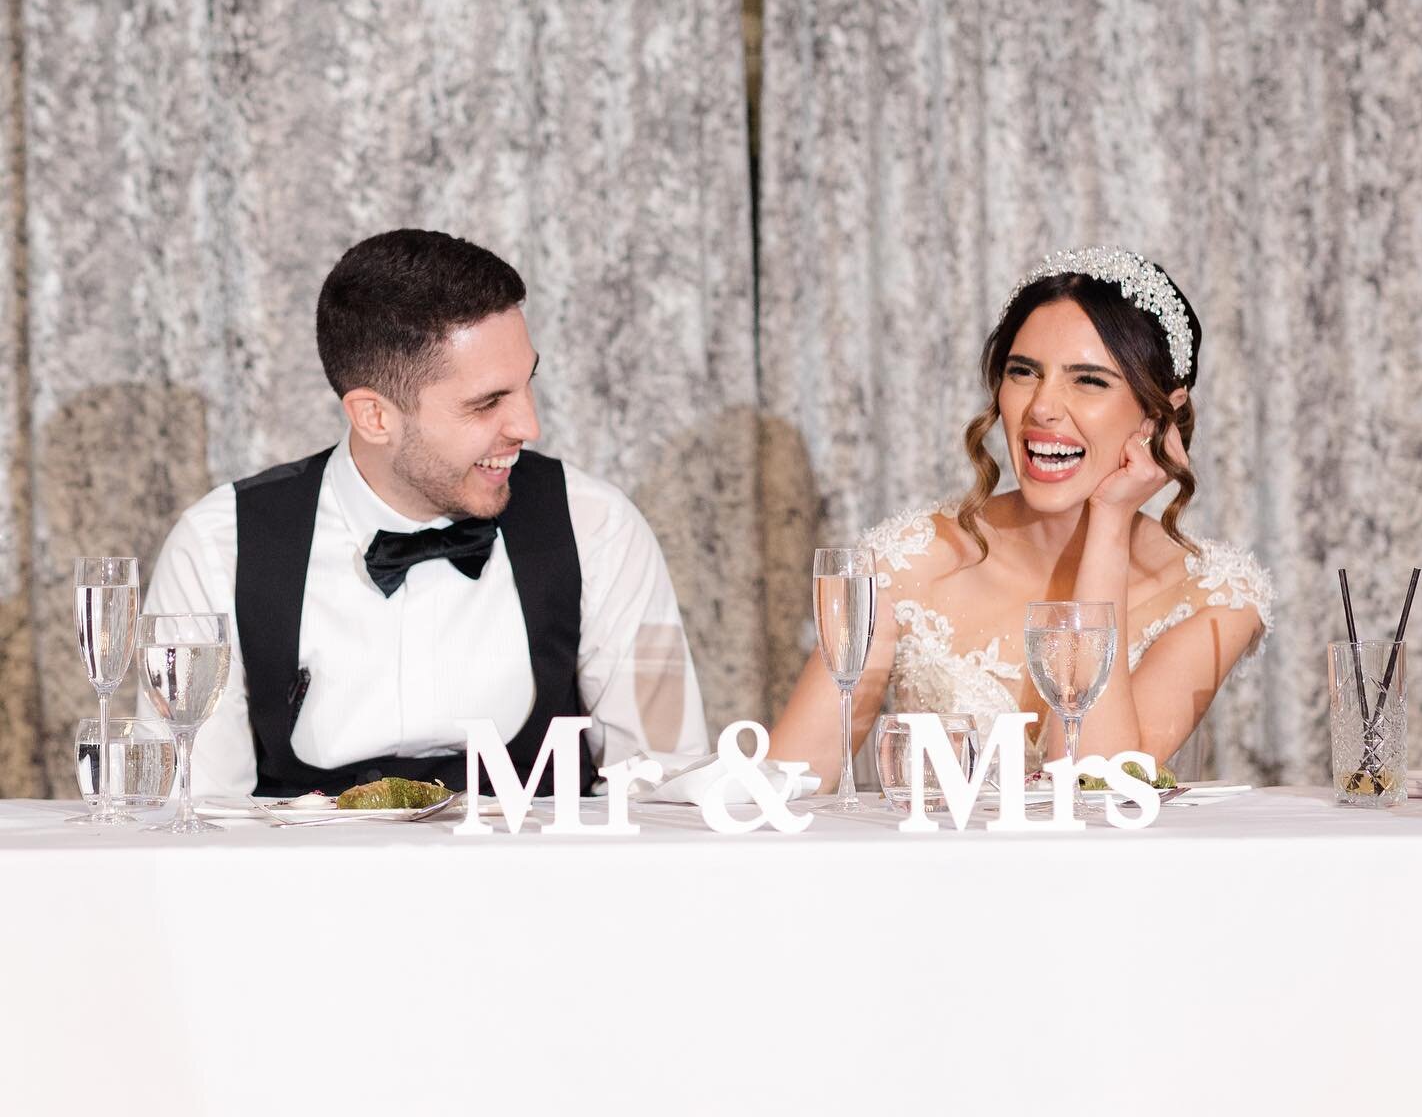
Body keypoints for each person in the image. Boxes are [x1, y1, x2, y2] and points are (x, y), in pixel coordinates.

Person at [143, 228, 709, 797]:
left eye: (525, 384)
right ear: (374, 417)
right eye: (487, 402)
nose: (528, 427)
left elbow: (662, 783)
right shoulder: (221, 547)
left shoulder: (598, 527)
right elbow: (192, 810)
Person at [769, 246, 1273, 786]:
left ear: (1160, 411)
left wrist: (1109, 524)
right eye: (1024, 372)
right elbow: (784, 784)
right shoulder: (908, 563)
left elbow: (1091, 787)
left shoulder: (1217, 596)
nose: (1042, 408)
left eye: (1089, 380)